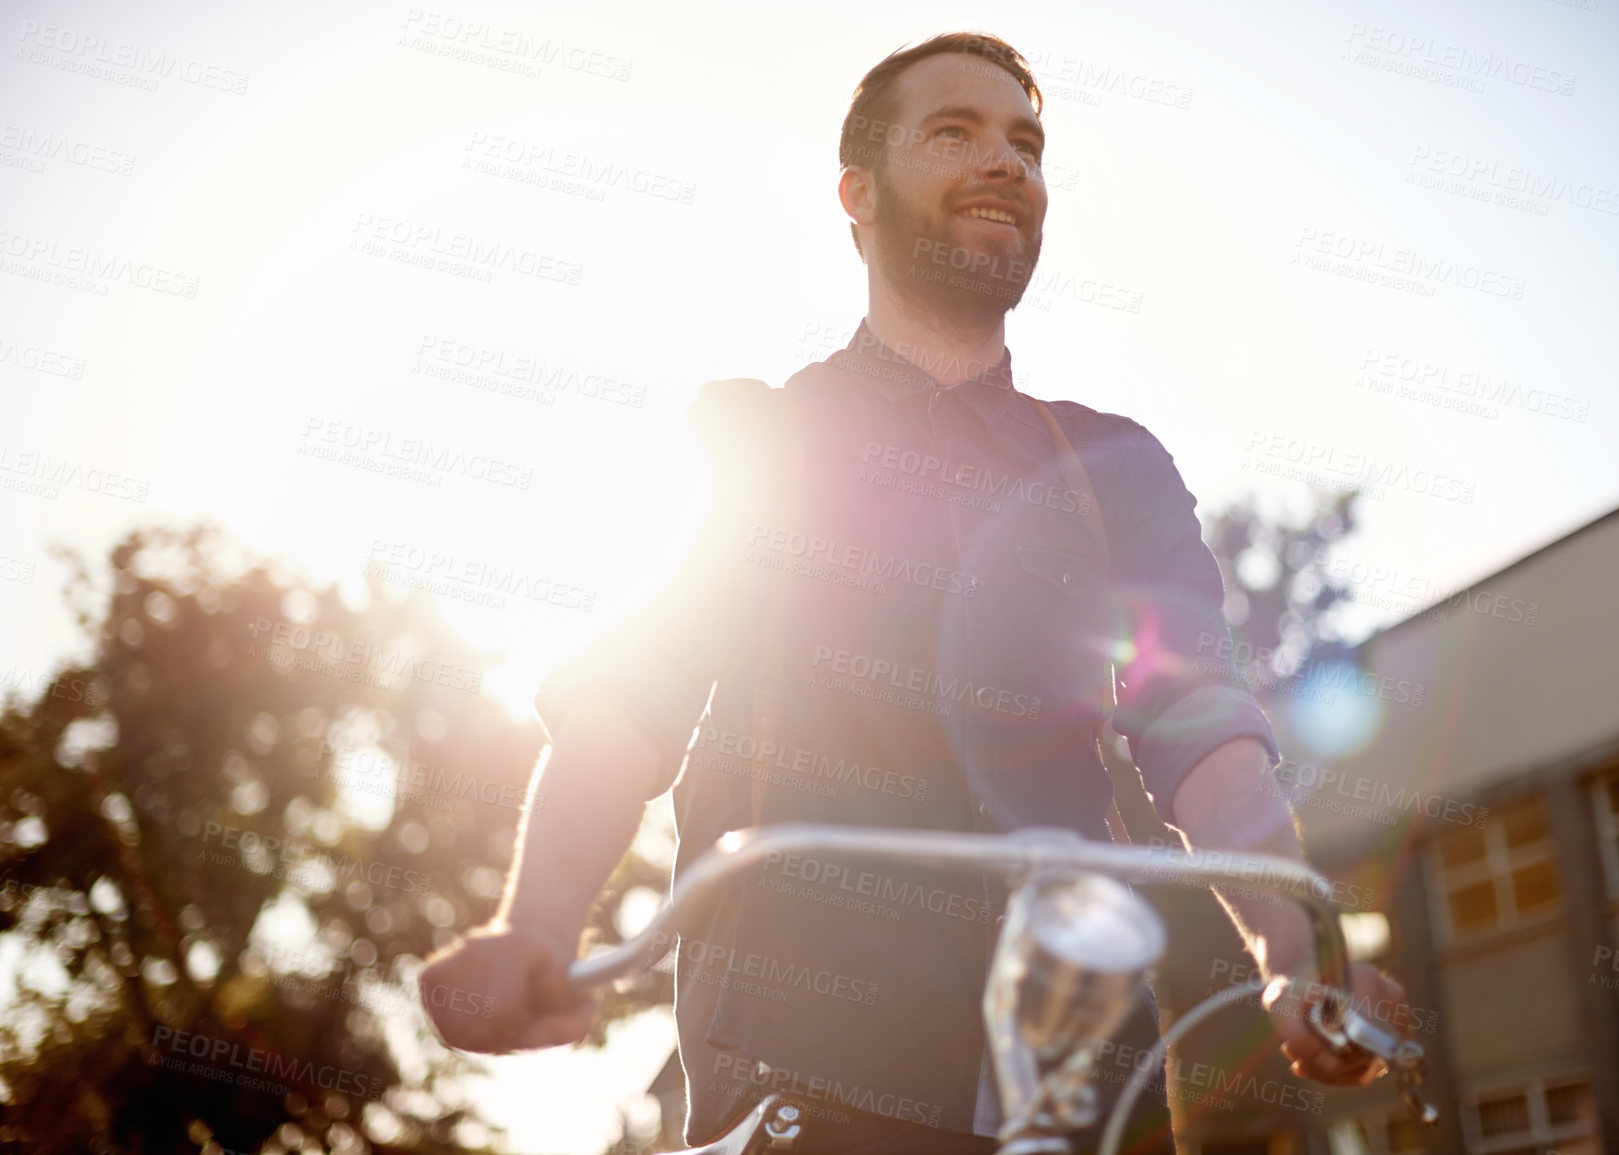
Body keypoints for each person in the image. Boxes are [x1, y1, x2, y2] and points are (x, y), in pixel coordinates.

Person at [420, 31, 1411, 1154]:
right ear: (858, 192)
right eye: (955, 133)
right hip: (806, 1070)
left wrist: (1298, 959)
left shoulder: (1116, 472)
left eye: (1026, 144)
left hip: (1084, 1084)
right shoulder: (761, 438)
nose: (1007, 164)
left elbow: (1206, 741)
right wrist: (536, 927)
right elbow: (633, 698)